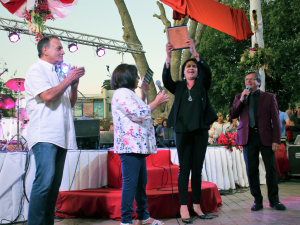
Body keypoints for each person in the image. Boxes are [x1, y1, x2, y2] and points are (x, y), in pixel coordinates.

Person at [25, 36, 85, 225]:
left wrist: (74, 85)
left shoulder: (58, 74)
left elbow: (70, 103)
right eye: (59, 48)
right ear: (45, 50)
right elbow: (48, 96)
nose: (63, 52)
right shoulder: (36, 70)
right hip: (45, 135)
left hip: (61, 135)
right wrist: (68, 79)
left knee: (52, 187)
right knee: (44, 184)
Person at [163, 38, 217, 222]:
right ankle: (184, 207)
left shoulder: (203, 85)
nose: (192, 68)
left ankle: (197, 206)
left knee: (197, 169)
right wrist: (168, 57)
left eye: (194, 66)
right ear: (184, 72)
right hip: (182, 132)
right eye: (188, 67)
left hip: (200, 131)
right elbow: (166, 79)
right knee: (184, 169)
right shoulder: (177, 87)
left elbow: (208, 73)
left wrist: (196, 54)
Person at [110, 64, 168, 225]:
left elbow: (139, 109)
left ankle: (143, 216)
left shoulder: (129, 93)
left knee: (140, 183)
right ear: (127, 77)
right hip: (130, 146)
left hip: (137, 145)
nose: (138, 79)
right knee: (130, 183)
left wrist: (143, 93)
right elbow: (138, 114)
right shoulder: (121, 93)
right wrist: (156, 102)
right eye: (135, 76)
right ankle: (126, 220)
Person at [229, 71, 286, 211]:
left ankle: (274, 200)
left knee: (271, 170)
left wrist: (276, 140)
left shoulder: (269, 97)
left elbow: (276, 120)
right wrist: (242, 99)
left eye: (251, 79)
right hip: (248, 138)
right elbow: (232, 114)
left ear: (259, 82)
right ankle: (257, 201)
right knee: (252, 170)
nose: (248, 82)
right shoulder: (239, 97)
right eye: (246, 79)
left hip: (265, 137)